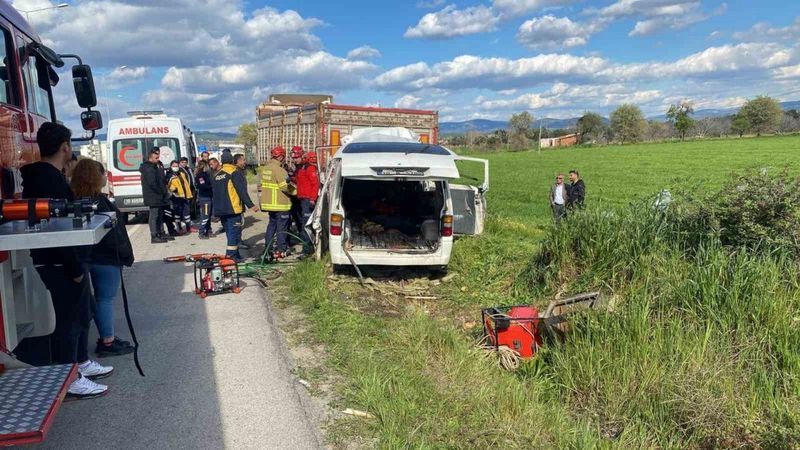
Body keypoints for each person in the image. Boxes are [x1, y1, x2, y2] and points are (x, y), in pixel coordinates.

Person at [22, 122, 112, 399]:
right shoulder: (49, 180)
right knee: (69, 322)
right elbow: (60, 230)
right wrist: (74, 268)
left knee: (84, 312)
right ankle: (69, 378)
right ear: (65, 146)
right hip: (60, 263)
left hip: (65, 261)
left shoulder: (49, 176)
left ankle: (81, 362)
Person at [70, 160, 135, 357]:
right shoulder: (99, 201)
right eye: (102, 173)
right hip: (106, 258)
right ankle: (107, 341)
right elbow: (113, 234)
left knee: (97, 300)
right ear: (94, 176)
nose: (105, 176)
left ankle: (107, 338)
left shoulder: (75, 199)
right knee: (105, 299)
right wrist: (125, 255)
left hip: (89, 256)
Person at [212, 149, 257, 261]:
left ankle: (235, 254)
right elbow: (241, 191)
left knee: (229, 232)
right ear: (232, 161)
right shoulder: (234, 173)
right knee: (234, 233)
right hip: (233, 209)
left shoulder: (216, 175)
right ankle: (231, 256)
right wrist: (251, 205)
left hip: (221, 210)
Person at [259, 147, 295, 260]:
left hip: (269, 204)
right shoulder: (279, 170)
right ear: (280, 156)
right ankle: (282, 249)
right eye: (283, 156)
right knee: (282, 228)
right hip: (280, 204)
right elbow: (285, 186)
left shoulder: (265, 168)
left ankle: (268, 248)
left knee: (271, 226)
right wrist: (296, 191)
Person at [139, 147, 171, 243]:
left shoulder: (154, 166)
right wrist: (161, 192)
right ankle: (154, 235)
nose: (158, 158)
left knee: (159, 215)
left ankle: (160, 233)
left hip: (157, 195)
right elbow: (152, 183)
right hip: (153, 196)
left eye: (158, 155)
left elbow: (160, 180)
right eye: (156, 156)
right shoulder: (149, 168)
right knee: (154, 216)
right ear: (150, 157)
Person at [295, 151, 320, 256]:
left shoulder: (310, 169)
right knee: (303, 224)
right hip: (303, 199)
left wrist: (312, 198)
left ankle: (307, 249)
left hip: (307, 200)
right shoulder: (304, 168)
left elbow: (315, 184)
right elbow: (302, 181)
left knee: (306, 225)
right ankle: (307, 247)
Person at [167, 160, 195, 234]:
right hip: (176, 197)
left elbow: (186, 183)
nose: (175, 167)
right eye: (174, 166)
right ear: (171, 166)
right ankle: (179, 228)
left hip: (184, 196)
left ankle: (189, 227)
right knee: (177, 213)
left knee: (187, 212)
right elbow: (168, 186)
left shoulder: (181, 173)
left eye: (177, 166)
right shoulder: (169, 175)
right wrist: (173, 190)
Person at [194, 160, 213, 239]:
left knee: (208, 216)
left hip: (209, 197)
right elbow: (203, 186)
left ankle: (208, 230)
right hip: (204, 198)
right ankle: (201, 232)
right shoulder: (200, 176)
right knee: (205, 216)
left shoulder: (207, 174)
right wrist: (212, 186)